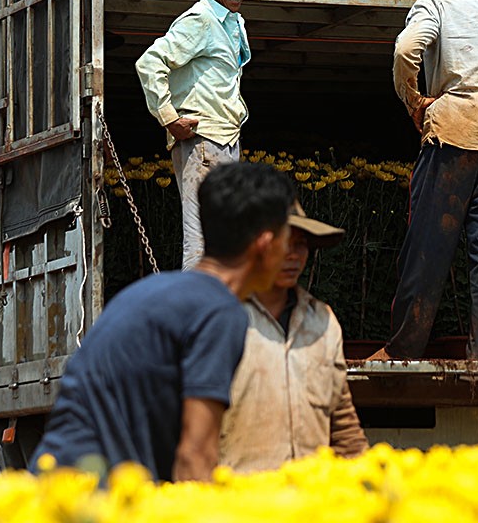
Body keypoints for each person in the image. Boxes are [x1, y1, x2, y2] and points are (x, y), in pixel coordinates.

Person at [32, 162, 295, 482]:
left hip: (50, 489)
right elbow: (195, 457)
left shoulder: (151, 292)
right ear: (264, 244)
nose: (289, 252)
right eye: (287, 238)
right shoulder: (219, 312)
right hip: (91, 502)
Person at [371, 0, 478, 361]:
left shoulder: (433, 4)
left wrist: (413, 100)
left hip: (450, 137)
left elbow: (405, 52)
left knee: (428, 248)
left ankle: (404, 349)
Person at [219, 203, 369, 473]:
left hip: (310, 500)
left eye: (301, 244)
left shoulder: (323, 321)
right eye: (283, 242)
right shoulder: (222, 318)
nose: (293, 255)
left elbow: (343, 422)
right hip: (239, 501)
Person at [135, 0, 256, 270]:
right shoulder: (201, 20)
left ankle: (219, 314)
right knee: (203, 241)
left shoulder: (231, 21)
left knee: (226, 241)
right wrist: (169, 119)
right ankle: (198, 318)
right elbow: (150, 63)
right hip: (204, 142)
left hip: (225, 139)